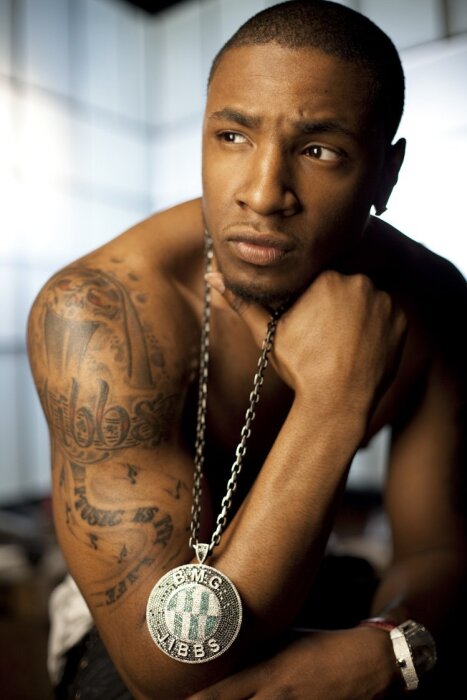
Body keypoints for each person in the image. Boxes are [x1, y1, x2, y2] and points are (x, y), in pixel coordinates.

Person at [27, 1, 466, 698]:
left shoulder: (430, 300)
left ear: (386, 172)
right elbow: (170, 665)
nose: (262, 195)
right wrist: (334, 401)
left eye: (319, 150)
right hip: (138, 620)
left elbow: (436, 548)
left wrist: (389, 645)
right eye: (232, 136)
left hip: (317, 577)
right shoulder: (100, 310)